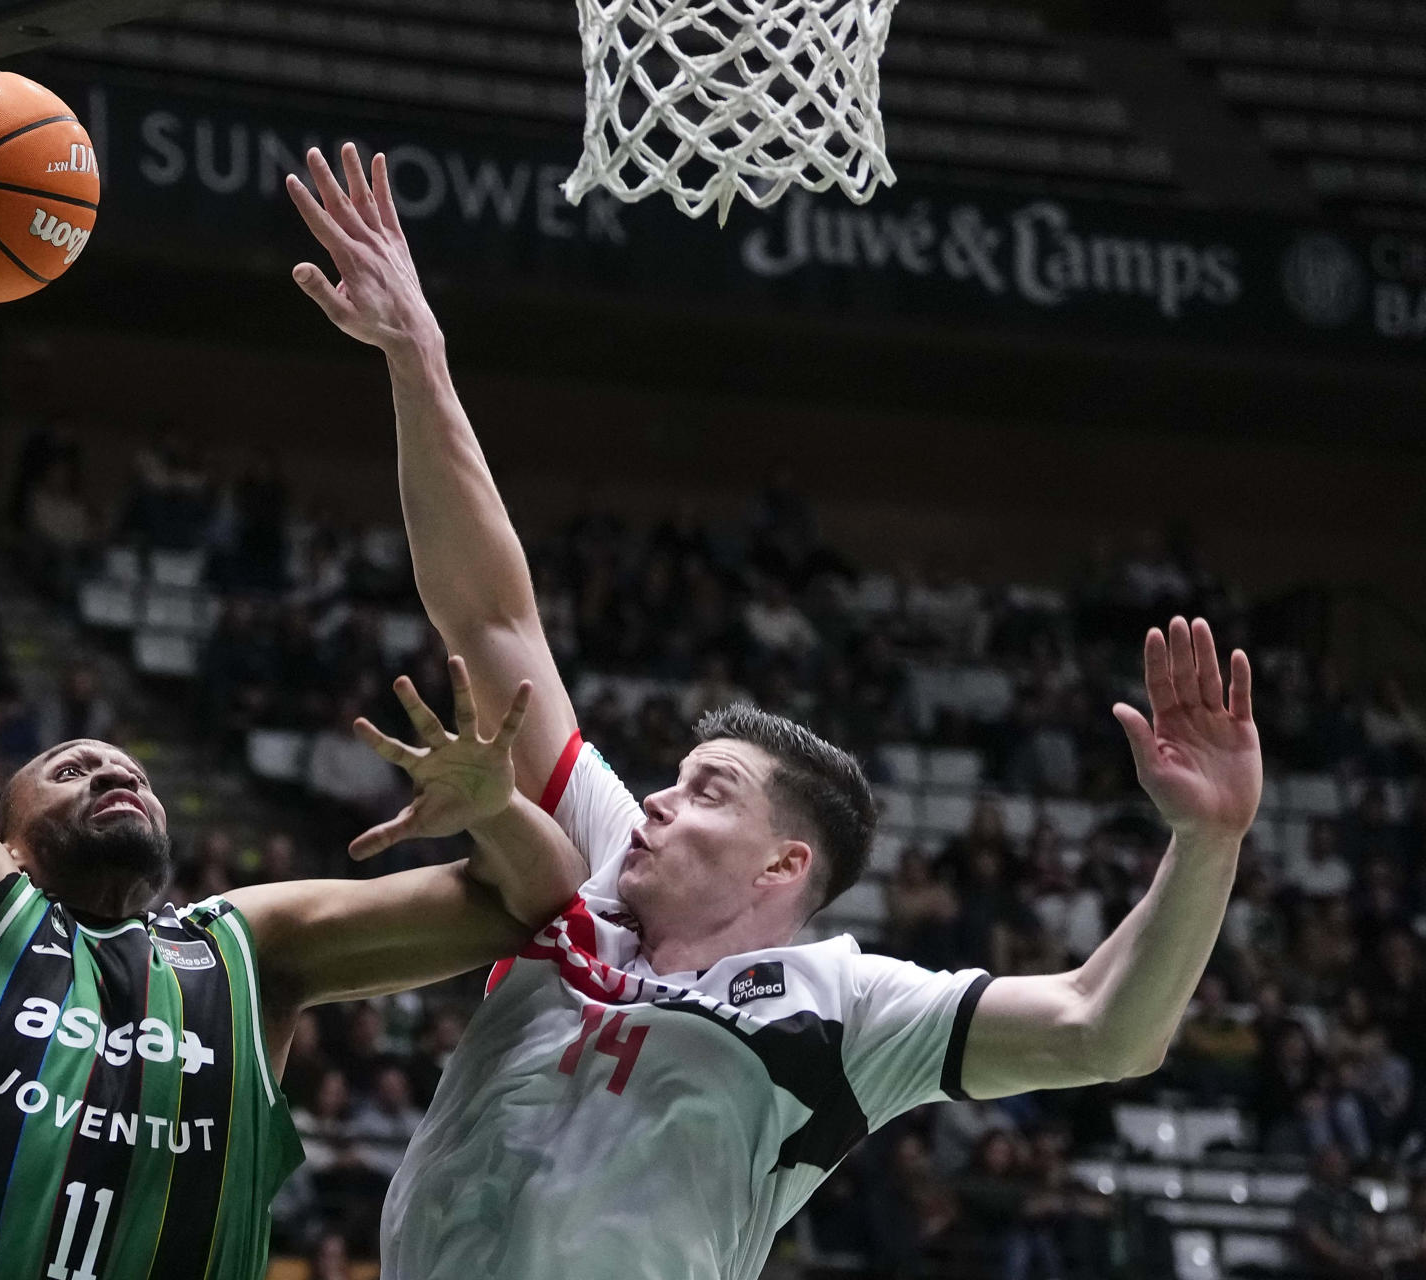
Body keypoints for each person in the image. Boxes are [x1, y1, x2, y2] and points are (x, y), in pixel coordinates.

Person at [288, 141, 1264, 1279]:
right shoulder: (603, 859)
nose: (656, 801)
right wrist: (418, 358)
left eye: (707, 790)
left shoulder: (847, 1009)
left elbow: (1105, 1026)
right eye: (674, 779)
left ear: (781, 864)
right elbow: (491, 618)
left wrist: (1210, 840)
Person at [0, 166, 588, 1280]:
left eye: (125, 766)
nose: (110, 770)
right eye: (70, 767)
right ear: (7, 840)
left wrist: (497, 806)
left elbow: (539, 899)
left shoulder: (245, 950)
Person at [1293, 1146, 1381, 1278]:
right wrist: (1344, 1257)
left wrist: (1365, 1256)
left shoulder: (1358, 1199)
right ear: (1320, 1167)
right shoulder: (1309, 1199)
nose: (1336, 1169)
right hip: (1322, 1268)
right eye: (1330, 1164)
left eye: (1340, 1164)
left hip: (1360, 1264)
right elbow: (1314, 1236)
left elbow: (1371, 1229)